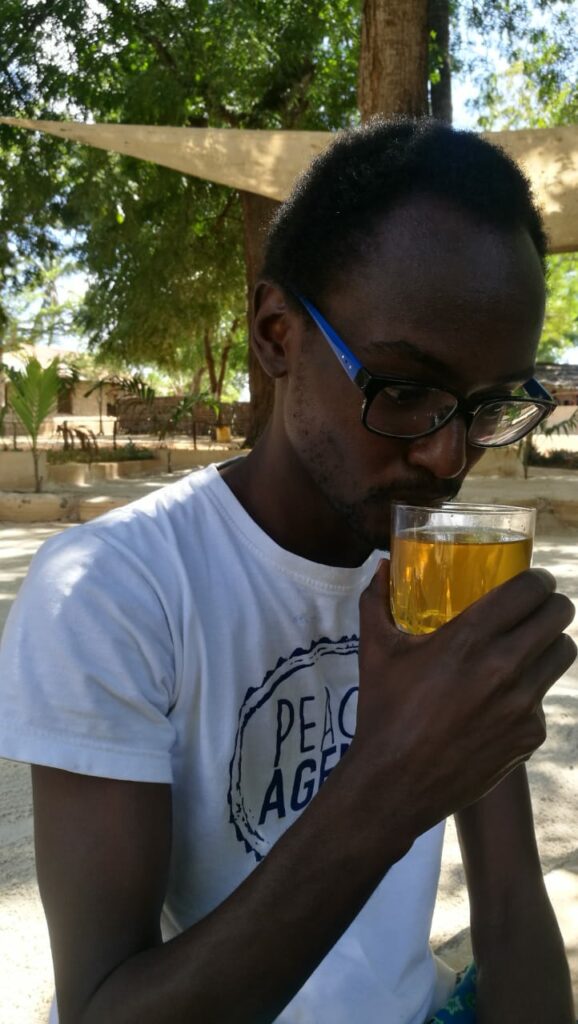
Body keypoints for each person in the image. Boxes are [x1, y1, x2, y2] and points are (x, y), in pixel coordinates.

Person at [0, 117, 576, 1024]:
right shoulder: (116, 592)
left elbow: (510, 914)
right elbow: (103, 1009)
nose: (448, 457)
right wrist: (391, 782)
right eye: (405, 389)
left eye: (487, 405)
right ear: (277, 335)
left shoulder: (449, 575)